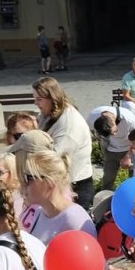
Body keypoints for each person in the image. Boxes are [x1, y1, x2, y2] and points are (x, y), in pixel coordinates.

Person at [32, 77, 94, 207]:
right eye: (35, 98)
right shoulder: (48, 114)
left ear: (52, 98)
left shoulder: (69, 125)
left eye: (39, 99)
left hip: (75, 186)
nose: (35, 103)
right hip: (60, 183)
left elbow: (53, 159)